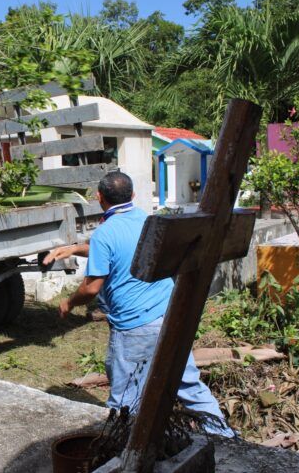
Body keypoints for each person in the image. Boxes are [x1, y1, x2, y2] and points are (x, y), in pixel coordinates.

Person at [49, 171, 233, 436]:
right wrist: (76, 248)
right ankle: (226, 437)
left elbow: (91, 288)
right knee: (189, 385)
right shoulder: (149, 221)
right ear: (133, 195)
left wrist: (69, 302)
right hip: (170, 317)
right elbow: (120, 245)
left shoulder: (105, 233)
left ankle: (121, 453)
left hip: (135, 329)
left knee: (124, 400)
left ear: (99, 197)